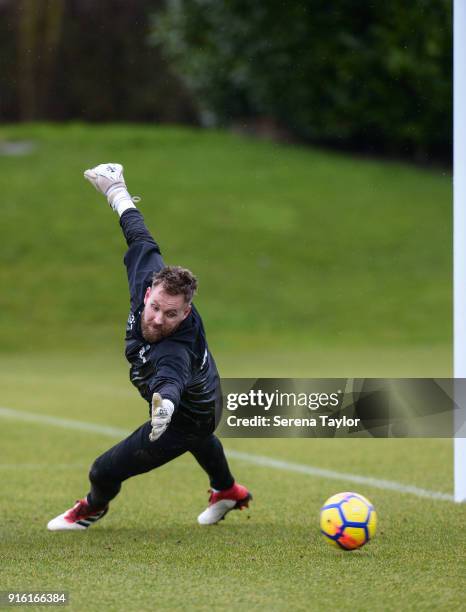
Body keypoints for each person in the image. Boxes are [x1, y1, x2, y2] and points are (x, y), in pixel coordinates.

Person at [47, 163, 251, 531]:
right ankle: (228, 491)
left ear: (186, 312)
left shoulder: (176, 346)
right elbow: (140, 236)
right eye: (154, 307)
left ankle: (93, 507)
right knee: (203, 439)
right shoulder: (149, 277)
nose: (158, 319)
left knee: (104, 469)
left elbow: (170, 379)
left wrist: (165, 406)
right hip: (203, 397)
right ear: (148, 291)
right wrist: (116, 190)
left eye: (171, 314)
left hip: (185, 413)